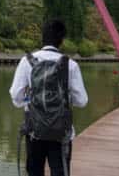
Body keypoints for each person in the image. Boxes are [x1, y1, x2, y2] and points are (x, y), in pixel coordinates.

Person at [10, 20, 88, 176]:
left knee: (34, 172)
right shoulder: (70, 64)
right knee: (59, 172)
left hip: (34, 130)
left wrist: (30, 98)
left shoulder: (27, 61)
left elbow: (16, 97)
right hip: (61, 133)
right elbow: (82, 101)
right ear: (62, 40)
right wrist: (63, 98)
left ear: (42, 38)